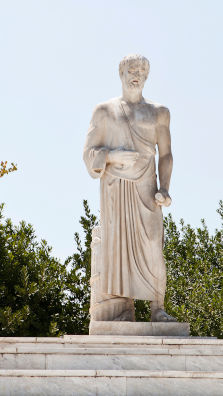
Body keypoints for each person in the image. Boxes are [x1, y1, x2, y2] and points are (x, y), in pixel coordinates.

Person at [83, 54, 176, 322]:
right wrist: (112, 156)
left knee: (152, 247)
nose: (137, 75)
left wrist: (165, 188)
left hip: (147, 188)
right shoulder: (104, 111)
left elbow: (166, 154)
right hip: (115, 187)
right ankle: (124, 310)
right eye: (132, 70)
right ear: (121, 73)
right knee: (116, 249)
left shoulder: (159, 112)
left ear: (147, 77)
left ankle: (158, 308)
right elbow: (88, 153)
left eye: (142, 71)